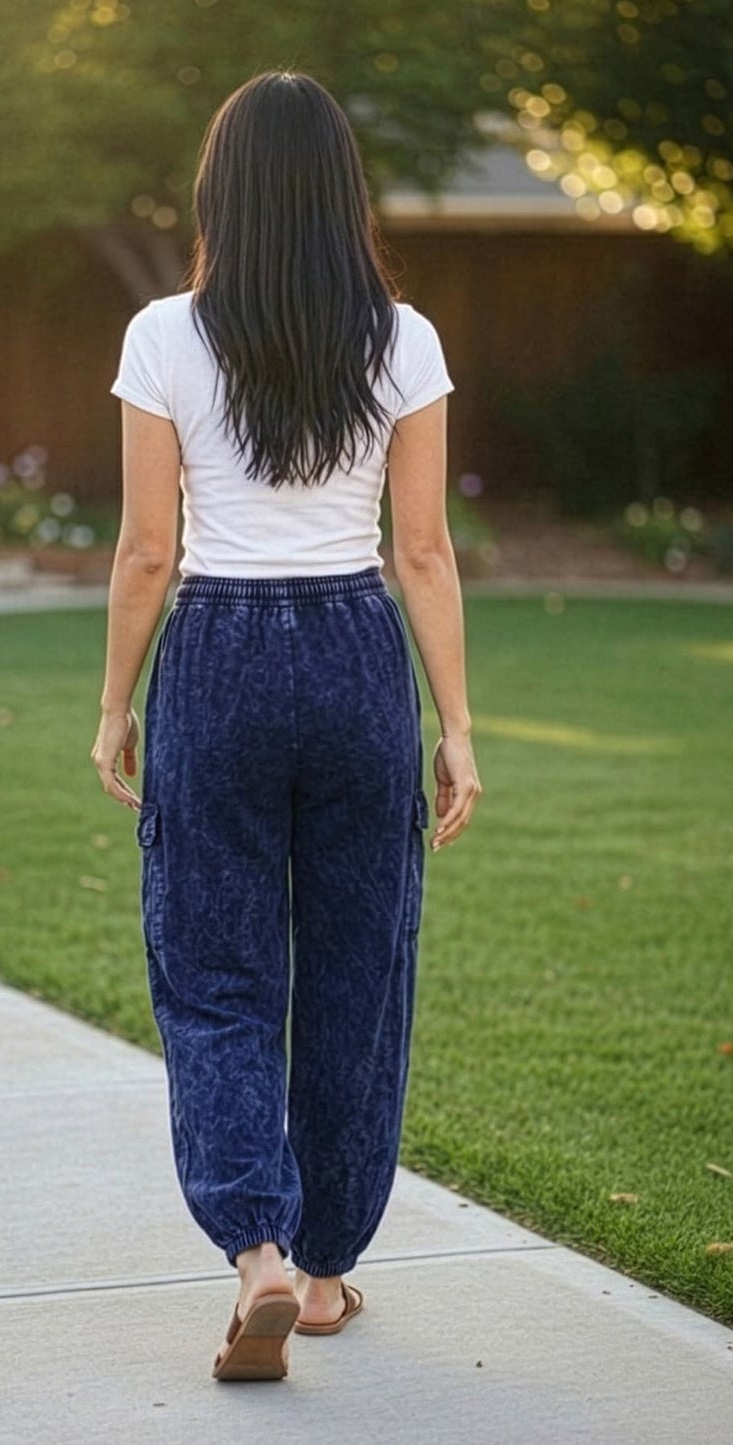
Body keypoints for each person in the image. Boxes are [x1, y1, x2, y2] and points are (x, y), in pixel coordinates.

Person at [91, 69, 481, 1383]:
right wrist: (458, 726)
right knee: (357, 975)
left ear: (219, 193)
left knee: (214, 978)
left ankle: (250, 1250)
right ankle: (321, 1276)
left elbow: (146, 550)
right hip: (358, 653)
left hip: (216, 653)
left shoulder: (163, 334)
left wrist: (113, 705)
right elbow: (420, 551)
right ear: (340, 194)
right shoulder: (403, 338)